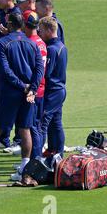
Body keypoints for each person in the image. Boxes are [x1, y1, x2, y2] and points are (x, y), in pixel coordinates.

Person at [0, 13, 44, 181]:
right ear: (22, 25)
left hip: (10, 93)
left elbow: (5, 69)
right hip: (27, 94)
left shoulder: (2, 43)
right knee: (25, 129)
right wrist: (32, 88)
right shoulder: (32, 44)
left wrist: (22, 86)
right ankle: (24, 170)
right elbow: (39, 69)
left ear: (9, 24)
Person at [0, 0, 22, 149]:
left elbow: (20, 38)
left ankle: (17, 139)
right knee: (2, 100)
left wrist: (6, 33)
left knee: (14, 102)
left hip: (12, 66)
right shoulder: (0, 13)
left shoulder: (16, 15)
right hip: (0, 64)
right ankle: (4, 137)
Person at [38, 17, 67, 156]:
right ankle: (57, 154)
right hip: (60, 90)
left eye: (42, 31)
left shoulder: (51, 49)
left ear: (50, 30)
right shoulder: (62, 46)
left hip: (52, 92)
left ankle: (36, 158)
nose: (40, 33)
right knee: (56, 123)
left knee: (42, 124)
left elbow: (46, 72)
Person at [22, 11, 47, 161]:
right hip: (40, 89)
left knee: (32, 128)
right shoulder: (40, 42)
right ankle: (35, 160)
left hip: (32, 90)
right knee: (35, 127)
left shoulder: (29, 43)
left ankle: (35, 161)